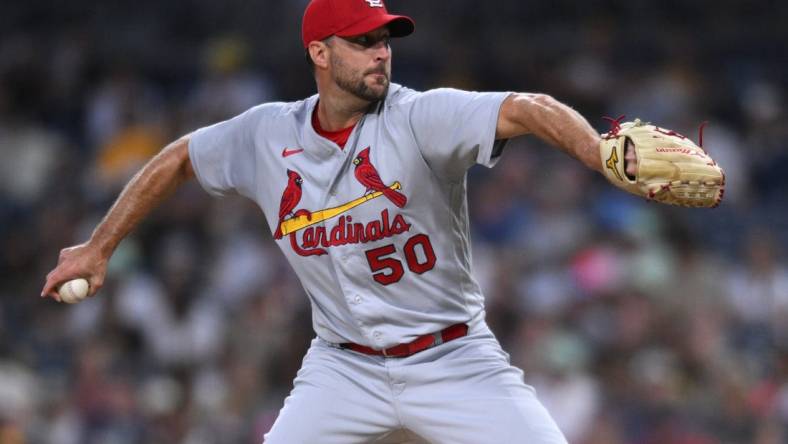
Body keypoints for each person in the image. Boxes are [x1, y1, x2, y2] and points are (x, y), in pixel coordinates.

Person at [42, 1, 643, 442]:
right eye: (362, 40)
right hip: (342, 365)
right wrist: (99, 247)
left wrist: (596, 154)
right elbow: (178, 158)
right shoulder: (267, 133)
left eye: (385, 37)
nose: (381, 50)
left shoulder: (419, 117)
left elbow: (525, 108)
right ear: (320, 53)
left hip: (452, 358)